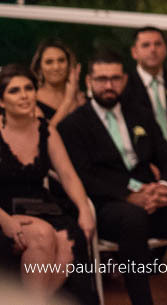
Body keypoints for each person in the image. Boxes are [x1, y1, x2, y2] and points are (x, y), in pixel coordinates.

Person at [58, 50, 167, 305]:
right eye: (101, 79)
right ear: (89, 82)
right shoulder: (74, 124)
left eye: (115, 78)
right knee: (133, 218)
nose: (109, 85)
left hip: (153, 196)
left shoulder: (139, 113)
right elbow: (83, 176)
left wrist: (164, 187)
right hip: (108, 204)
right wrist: (129, 195)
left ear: (124, 80)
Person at [0, 63, 96, 304]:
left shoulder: (47, 131)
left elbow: (68, 175)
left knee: (67, 237)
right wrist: (6, 221)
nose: (24, 95)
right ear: (1, 102)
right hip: (3, 209)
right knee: (43, 235)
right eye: (14, 90)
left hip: (41, 205)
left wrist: (84, 209)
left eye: (28, 88)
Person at [120, 25, 167, 152]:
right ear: (134, 52)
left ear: (165, 49)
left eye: (158, 44)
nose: (153, 49)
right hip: (145, 157)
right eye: (146, 45)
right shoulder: (125, 86)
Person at [32, 40, 85, 129]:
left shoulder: (81, 99)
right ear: (39, 68)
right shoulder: (31, 100)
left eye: (61, 60)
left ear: (69, 64)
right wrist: (68, 100)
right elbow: (43, 136)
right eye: (49, 62)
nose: (56, 67)